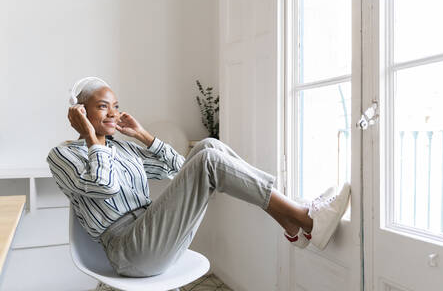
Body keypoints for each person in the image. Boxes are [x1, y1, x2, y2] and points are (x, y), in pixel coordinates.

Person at [46, 76, 351, 277]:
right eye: (103, 107)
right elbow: (103, 185)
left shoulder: (123, 149)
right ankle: (306, 219)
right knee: (207, 157)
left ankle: (290, 222)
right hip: (129, 250)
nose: (113, 113)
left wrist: (143, 135)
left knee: (209, 147)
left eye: (116, 106)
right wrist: (89, 136)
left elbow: (181, 168)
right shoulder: (63, 156)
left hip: (154, 232)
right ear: (80, 112)